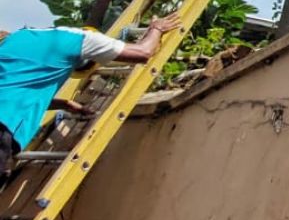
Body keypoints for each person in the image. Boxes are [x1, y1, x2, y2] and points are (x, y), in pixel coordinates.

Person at [0, 13, 182, 176]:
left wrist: (64, 104)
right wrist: (156, 28)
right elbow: (143, 53)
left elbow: (16, 89)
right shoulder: (84, 39)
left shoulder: (18, 38)